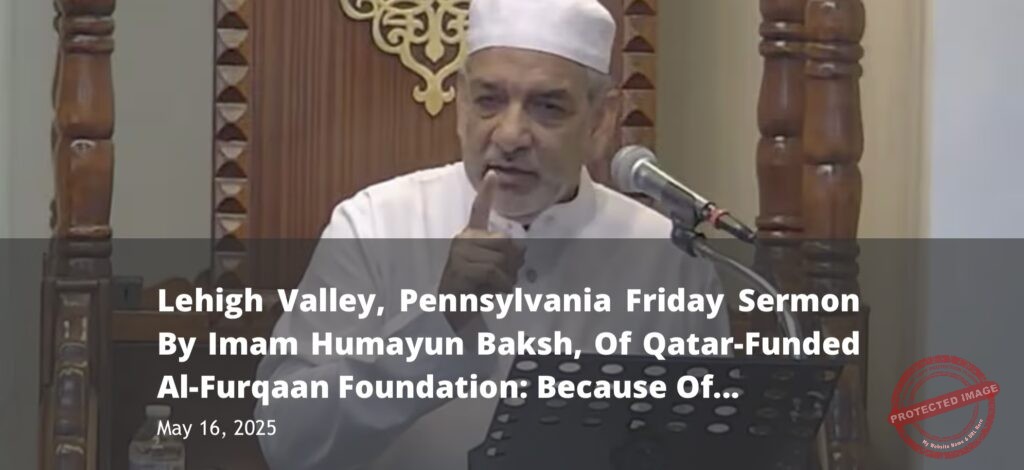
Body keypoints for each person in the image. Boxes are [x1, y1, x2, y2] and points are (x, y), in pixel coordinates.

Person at [255, 0, 728, 468]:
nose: (510, 135)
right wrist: (439, 324)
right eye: (489, 101)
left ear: (601, 121)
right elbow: (286, 439)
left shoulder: (669, 258)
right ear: (461, 104)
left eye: (547, 107)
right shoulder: (373, 225)